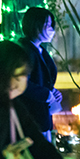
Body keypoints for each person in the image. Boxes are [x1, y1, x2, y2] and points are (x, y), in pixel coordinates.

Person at [16, 7, 62, 135]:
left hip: (41, 115)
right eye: (47, 25)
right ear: (35, 25)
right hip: (31, 116)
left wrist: (52, 92)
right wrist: (45, 94)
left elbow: (43, 80)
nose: (51, 30)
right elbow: (23, 82)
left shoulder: (40, 50)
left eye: (50, 25)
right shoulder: (25, 51)